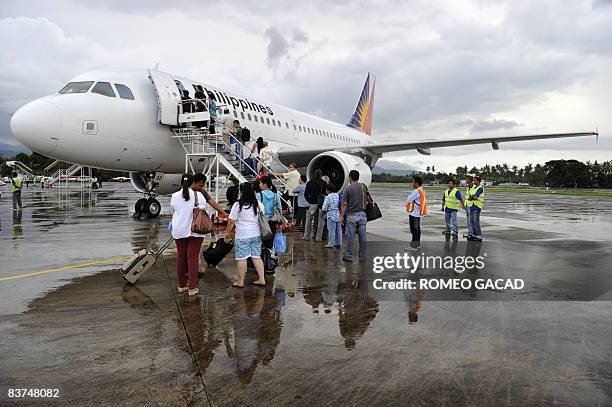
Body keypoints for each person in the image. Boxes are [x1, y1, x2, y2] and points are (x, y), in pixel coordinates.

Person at [170, 174, 207, 296]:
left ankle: (181, 285)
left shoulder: (174, 196)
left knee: (181, 257)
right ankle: (192, 287)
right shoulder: (199, 195)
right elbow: (202, 210)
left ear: (181, 183)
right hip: (194, 230)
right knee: (192, 258)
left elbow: (174, 210)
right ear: (193, 183)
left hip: (179, 229)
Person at [225, 182, 267, 288]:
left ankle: (240, 281)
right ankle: (261, 279)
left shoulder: (237, 205)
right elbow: (262, 217)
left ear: (241, 192)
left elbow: (231, 221)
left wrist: (227, 233)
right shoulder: (258, 204)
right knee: (256, 257)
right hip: (256, 235)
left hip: (242, 236)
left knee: (242, 258)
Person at [341, 170, 369, 262]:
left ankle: (349, 256)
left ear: (350, 177)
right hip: (363, 215)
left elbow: (344, 204)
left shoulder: (348, 189)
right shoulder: (363, 186)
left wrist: (341, 216)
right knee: (363, 237)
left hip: (352, 215)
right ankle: (362, 256)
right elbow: (369, 199)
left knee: (350, 237)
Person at [405, 176, 427, 251]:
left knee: (414, 230)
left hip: (414, 213)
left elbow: (408, 200)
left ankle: (414, 246)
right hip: (417, 213)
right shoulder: (422, 190)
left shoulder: (416, 191)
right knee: (417, 229)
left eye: (413, 181)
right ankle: (417, 245)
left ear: (416, 183)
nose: (412, 183)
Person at [304, 169, 327, 241]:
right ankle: (318, 237)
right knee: (321, 220)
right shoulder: (323, 183)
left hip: (312, 203)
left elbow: (306, 194)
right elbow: (325, 194)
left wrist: (309, 201)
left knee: (309, 219)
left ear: (314, 174)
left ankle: (306, 236)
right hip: (321, 204)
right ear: (321, 175)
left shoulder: (309, 182)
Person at [322, 183, 342, 248]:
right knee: (338, 230)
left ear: (328, 190)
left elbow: (324, 208)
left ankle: (330, 244)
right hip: (338, 214)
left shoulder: (328, 197)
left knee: (331, 230)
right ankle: (338, 243)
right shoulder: (337, 195)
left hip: (331, 215)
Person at [467, 176, 485, 241]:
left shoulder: (480, 188)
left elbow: (475, 197)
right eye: (473, 180)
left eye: (475, 180)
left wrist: (472, 197)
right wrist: (472, 197)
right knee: (471, 221)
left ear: (479, 181)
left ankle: (479, 235)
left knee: (476, 221)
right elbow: (470, 196)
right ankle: (473, 234)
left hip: (477, 206)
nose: (474, 182)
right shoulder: (474, 188)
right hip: (472, 206)